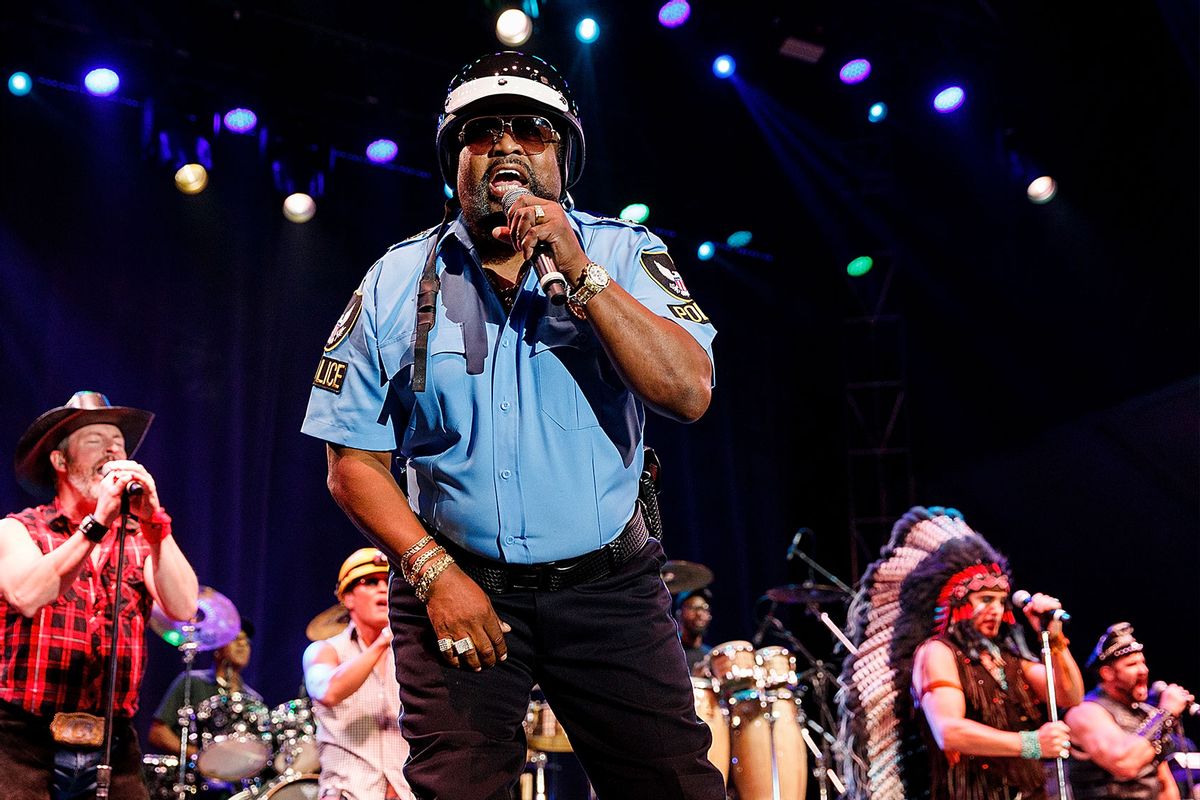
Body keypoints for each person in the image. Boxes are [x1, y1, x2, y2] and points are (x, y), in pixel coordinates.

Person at [301, 51, 721, 800]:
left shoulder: (625, 252)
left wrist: (579, 268)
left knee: (677, 788)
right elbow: (352, 460)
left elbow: (688, 391)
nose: (505, 146)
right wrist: (432, 572)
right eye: (480, 132)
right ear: (452, 157)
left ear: (565, 155)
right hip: (457, 586)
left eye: (532, 130)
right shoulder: (394, 279)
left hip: (608, 589)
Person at [0, 391, 199, 800]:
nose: (113, 449)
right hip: (22, 740)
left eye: (118, 442)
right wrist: (97, 522)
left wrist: (156, 525)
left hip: (113, 740)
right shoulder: (19, 530)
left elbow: (183, 609)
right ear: (60, 461)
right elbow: (26, 594)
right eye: (95, 440)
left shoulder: (139, 540)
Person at [839, 506, 1084, 800]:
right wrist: (1032, 743)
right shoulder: (936, 654)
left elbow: (1068, 696)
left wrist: (1054, 639)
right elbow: (949, 732)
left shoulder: (1008, 659)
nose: (995, 609)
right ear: (956, 602)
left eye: (1001, 601)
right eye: (985, 599)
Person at [303, 548, 412, 800]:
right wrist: (382, 642)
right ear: (347, 597)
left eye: (387, 581)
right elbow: (327, 691)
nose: (382, 588)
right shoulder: (325, 650)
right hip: (347, 793)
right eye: (370, 582)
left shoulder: (409, 656)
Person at [1064, 622, 1194, 800]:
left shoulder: (1146, 713)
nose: (1143, 670)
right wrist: (1166, 712)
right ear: (1107, 673)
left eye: (1143, 662)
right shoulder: (1085, 712)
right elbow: (1124, 764)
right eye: (1132, 664)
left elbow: (1163, 782)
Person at [148, 621, 262, 760]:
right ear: (217, 648)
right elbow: (158, 732)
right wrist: (200, 756)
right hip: (192, 776)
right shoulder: (191, 682)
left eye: (246, 641)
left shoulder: (253, 700)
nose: (242, 644)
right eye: (235, 639)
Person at [674, 588, 713, 673]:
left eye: (704, 608)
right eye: (693, 607)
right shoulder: (671, 652)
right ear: (679, 613)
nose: (699, 613)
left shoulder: (711, 655)